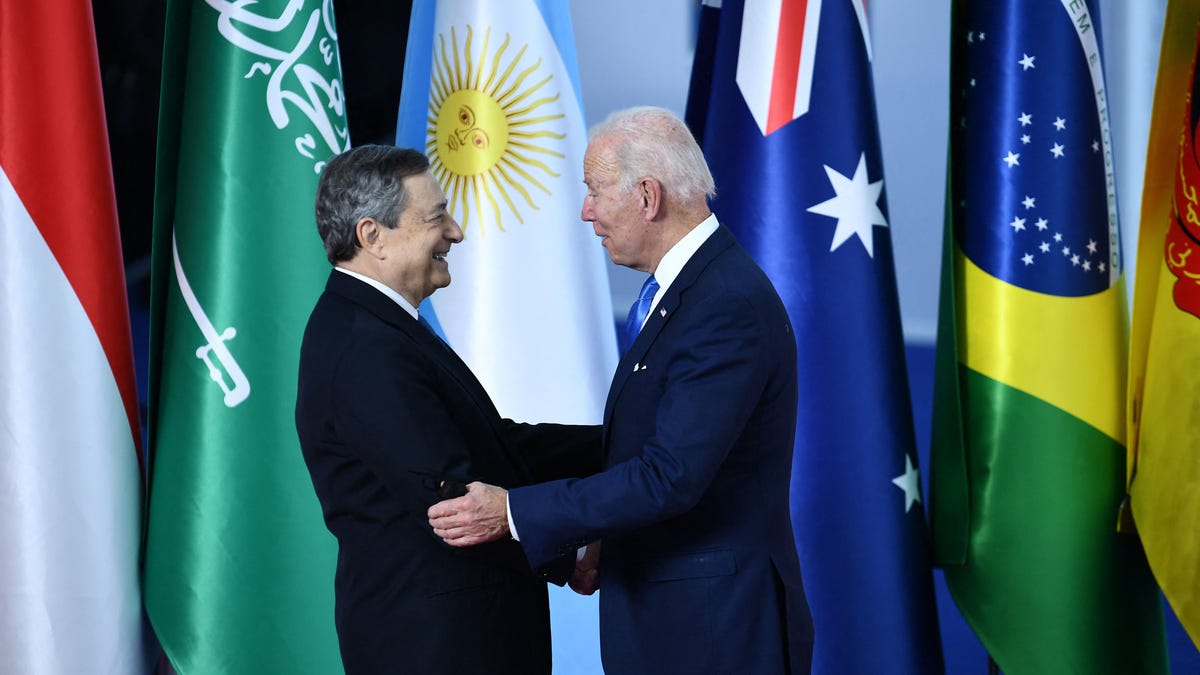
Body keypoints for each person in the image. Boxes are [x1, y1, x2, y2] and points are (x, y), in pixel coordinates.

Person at [428, 107, 815, 674]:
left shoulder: (725, 305)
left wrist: (513, 512)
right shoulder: (690, 290)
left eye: (594, 190)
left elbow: (669, 476)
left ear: (647, 197)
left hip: (716, 629)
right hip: (677, 616)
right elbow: (649, 442)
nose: (586, 211)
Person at [295, 144, 601, 675]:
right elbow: (452, 501)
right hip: (435, 649)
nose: (456, 232)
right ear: (372, 236)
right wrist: (573, 553)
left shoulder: (380, 327)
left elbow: (498, 443)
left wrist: (626, 438)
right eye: (437, 217)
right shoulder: (365, 345)